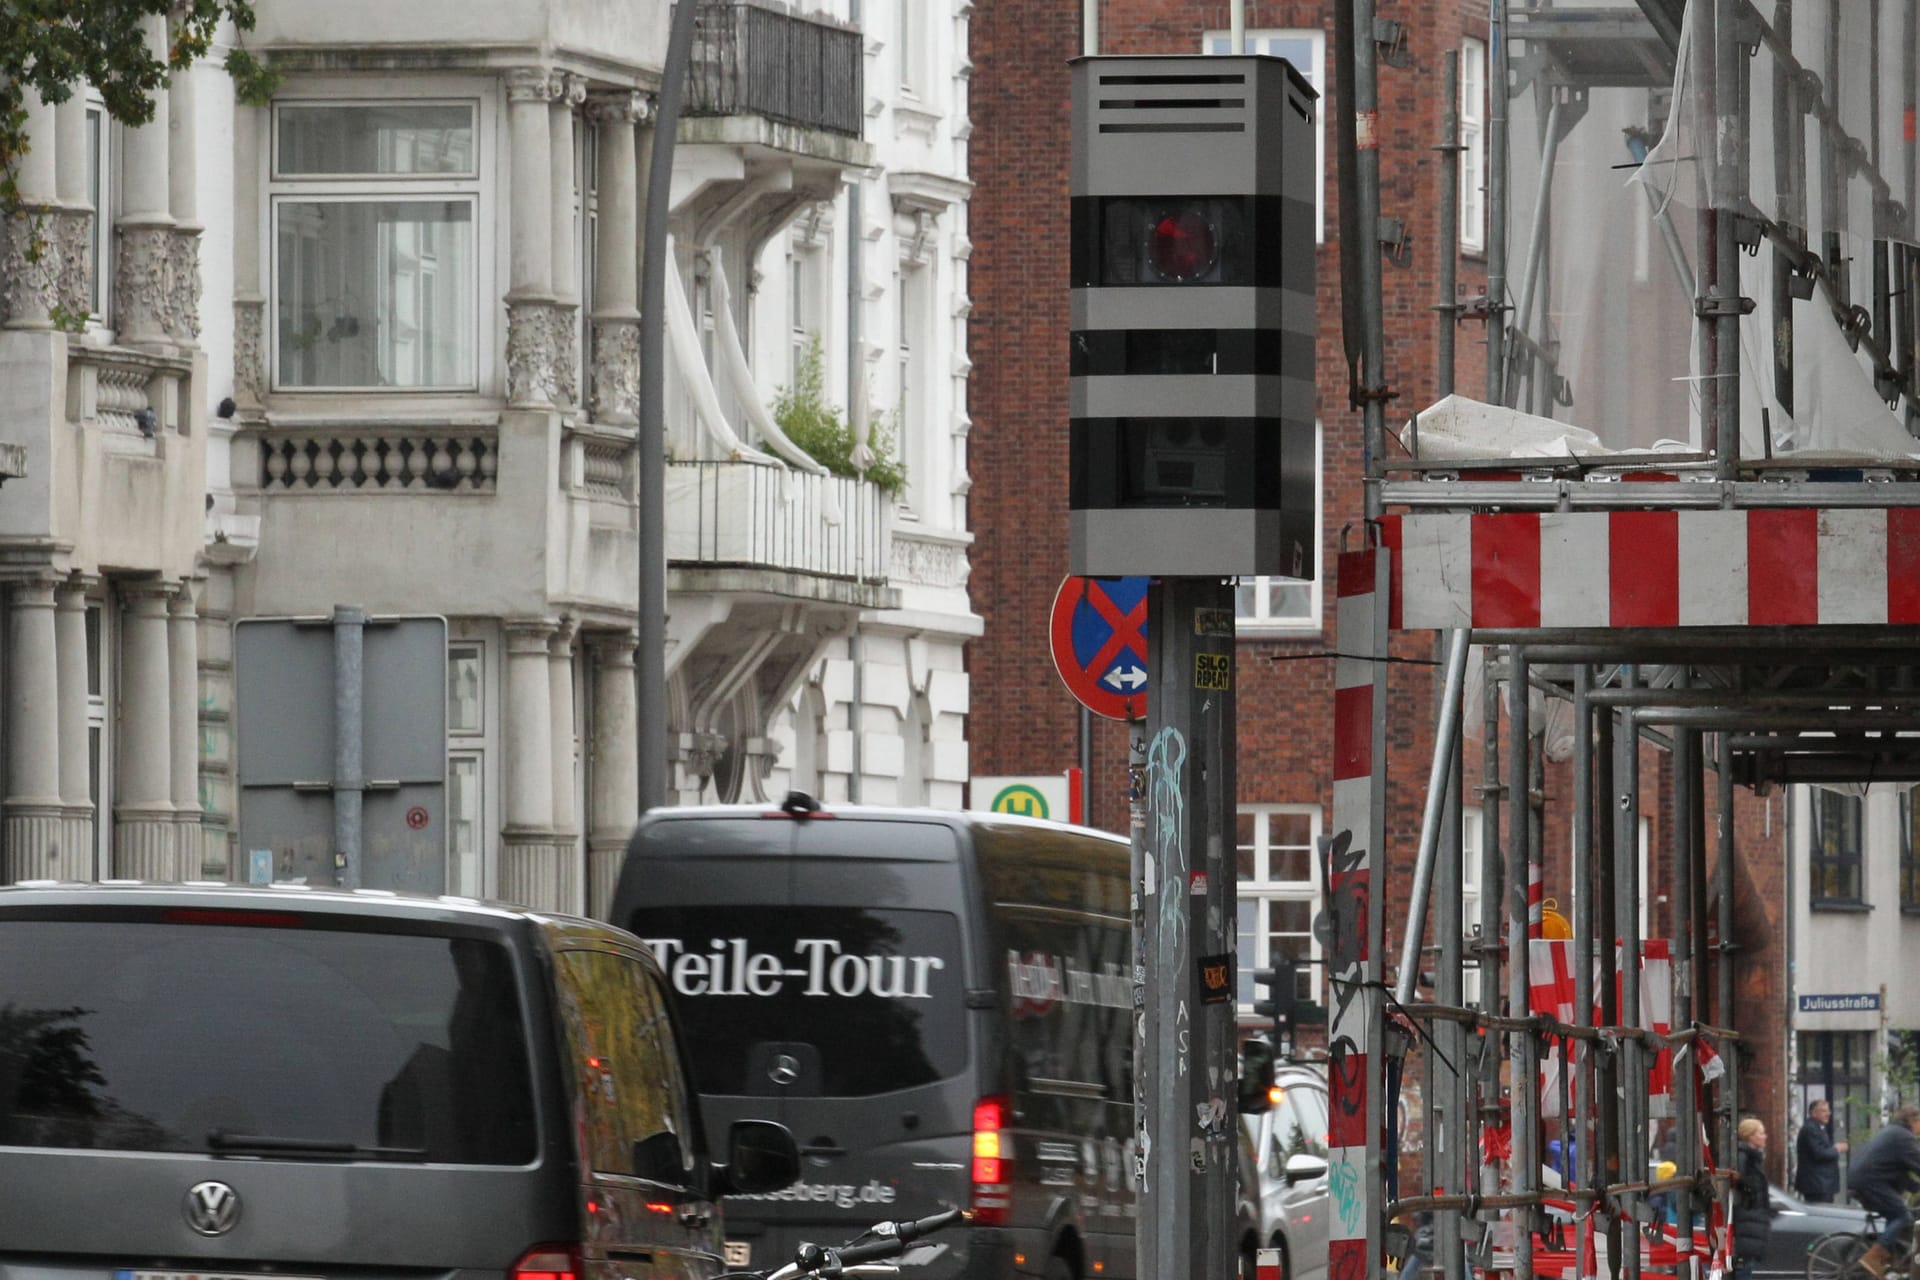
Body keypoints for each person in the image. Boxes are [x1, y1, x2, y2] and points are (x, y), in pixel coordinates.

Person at [1844, 1104, 1920, 1278]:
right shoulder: (1904, 1137)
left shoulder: (1893, 1131)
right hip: (1871, 1182)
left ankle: (1888, 1262)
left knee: (1895, 1215)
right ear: (1913, 1121)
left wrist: (1915, 1188)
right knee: (1904, 1216)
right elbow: (1917, 1164)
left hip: (1864, 1180)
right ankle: (1874, 1257)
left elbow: (1899, 1169)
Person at [1732, 1117, 1772, 1280]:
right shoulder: (1745, 1159)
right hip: (1746, 1222)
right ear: (1751, 1136)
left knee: (1745, 1268)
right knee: (1743, 1270)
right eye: (1761, 1133)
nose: (1765, 1136)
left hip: (1750, 1222)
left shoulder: (1751, 1158)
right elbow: (1740, 1185)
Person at [1795, 1099, 1847, 1204]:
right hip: (1817, 1185)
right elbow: (1819, 1153)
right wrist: (1837, 1149)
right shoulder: (1810, 1129)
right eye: (1824, 1111)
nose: (1828, 1114)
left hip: (1821, 1184)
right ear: (1813, 1113)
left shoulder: (1818, 1128)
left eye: (1828, 1111)